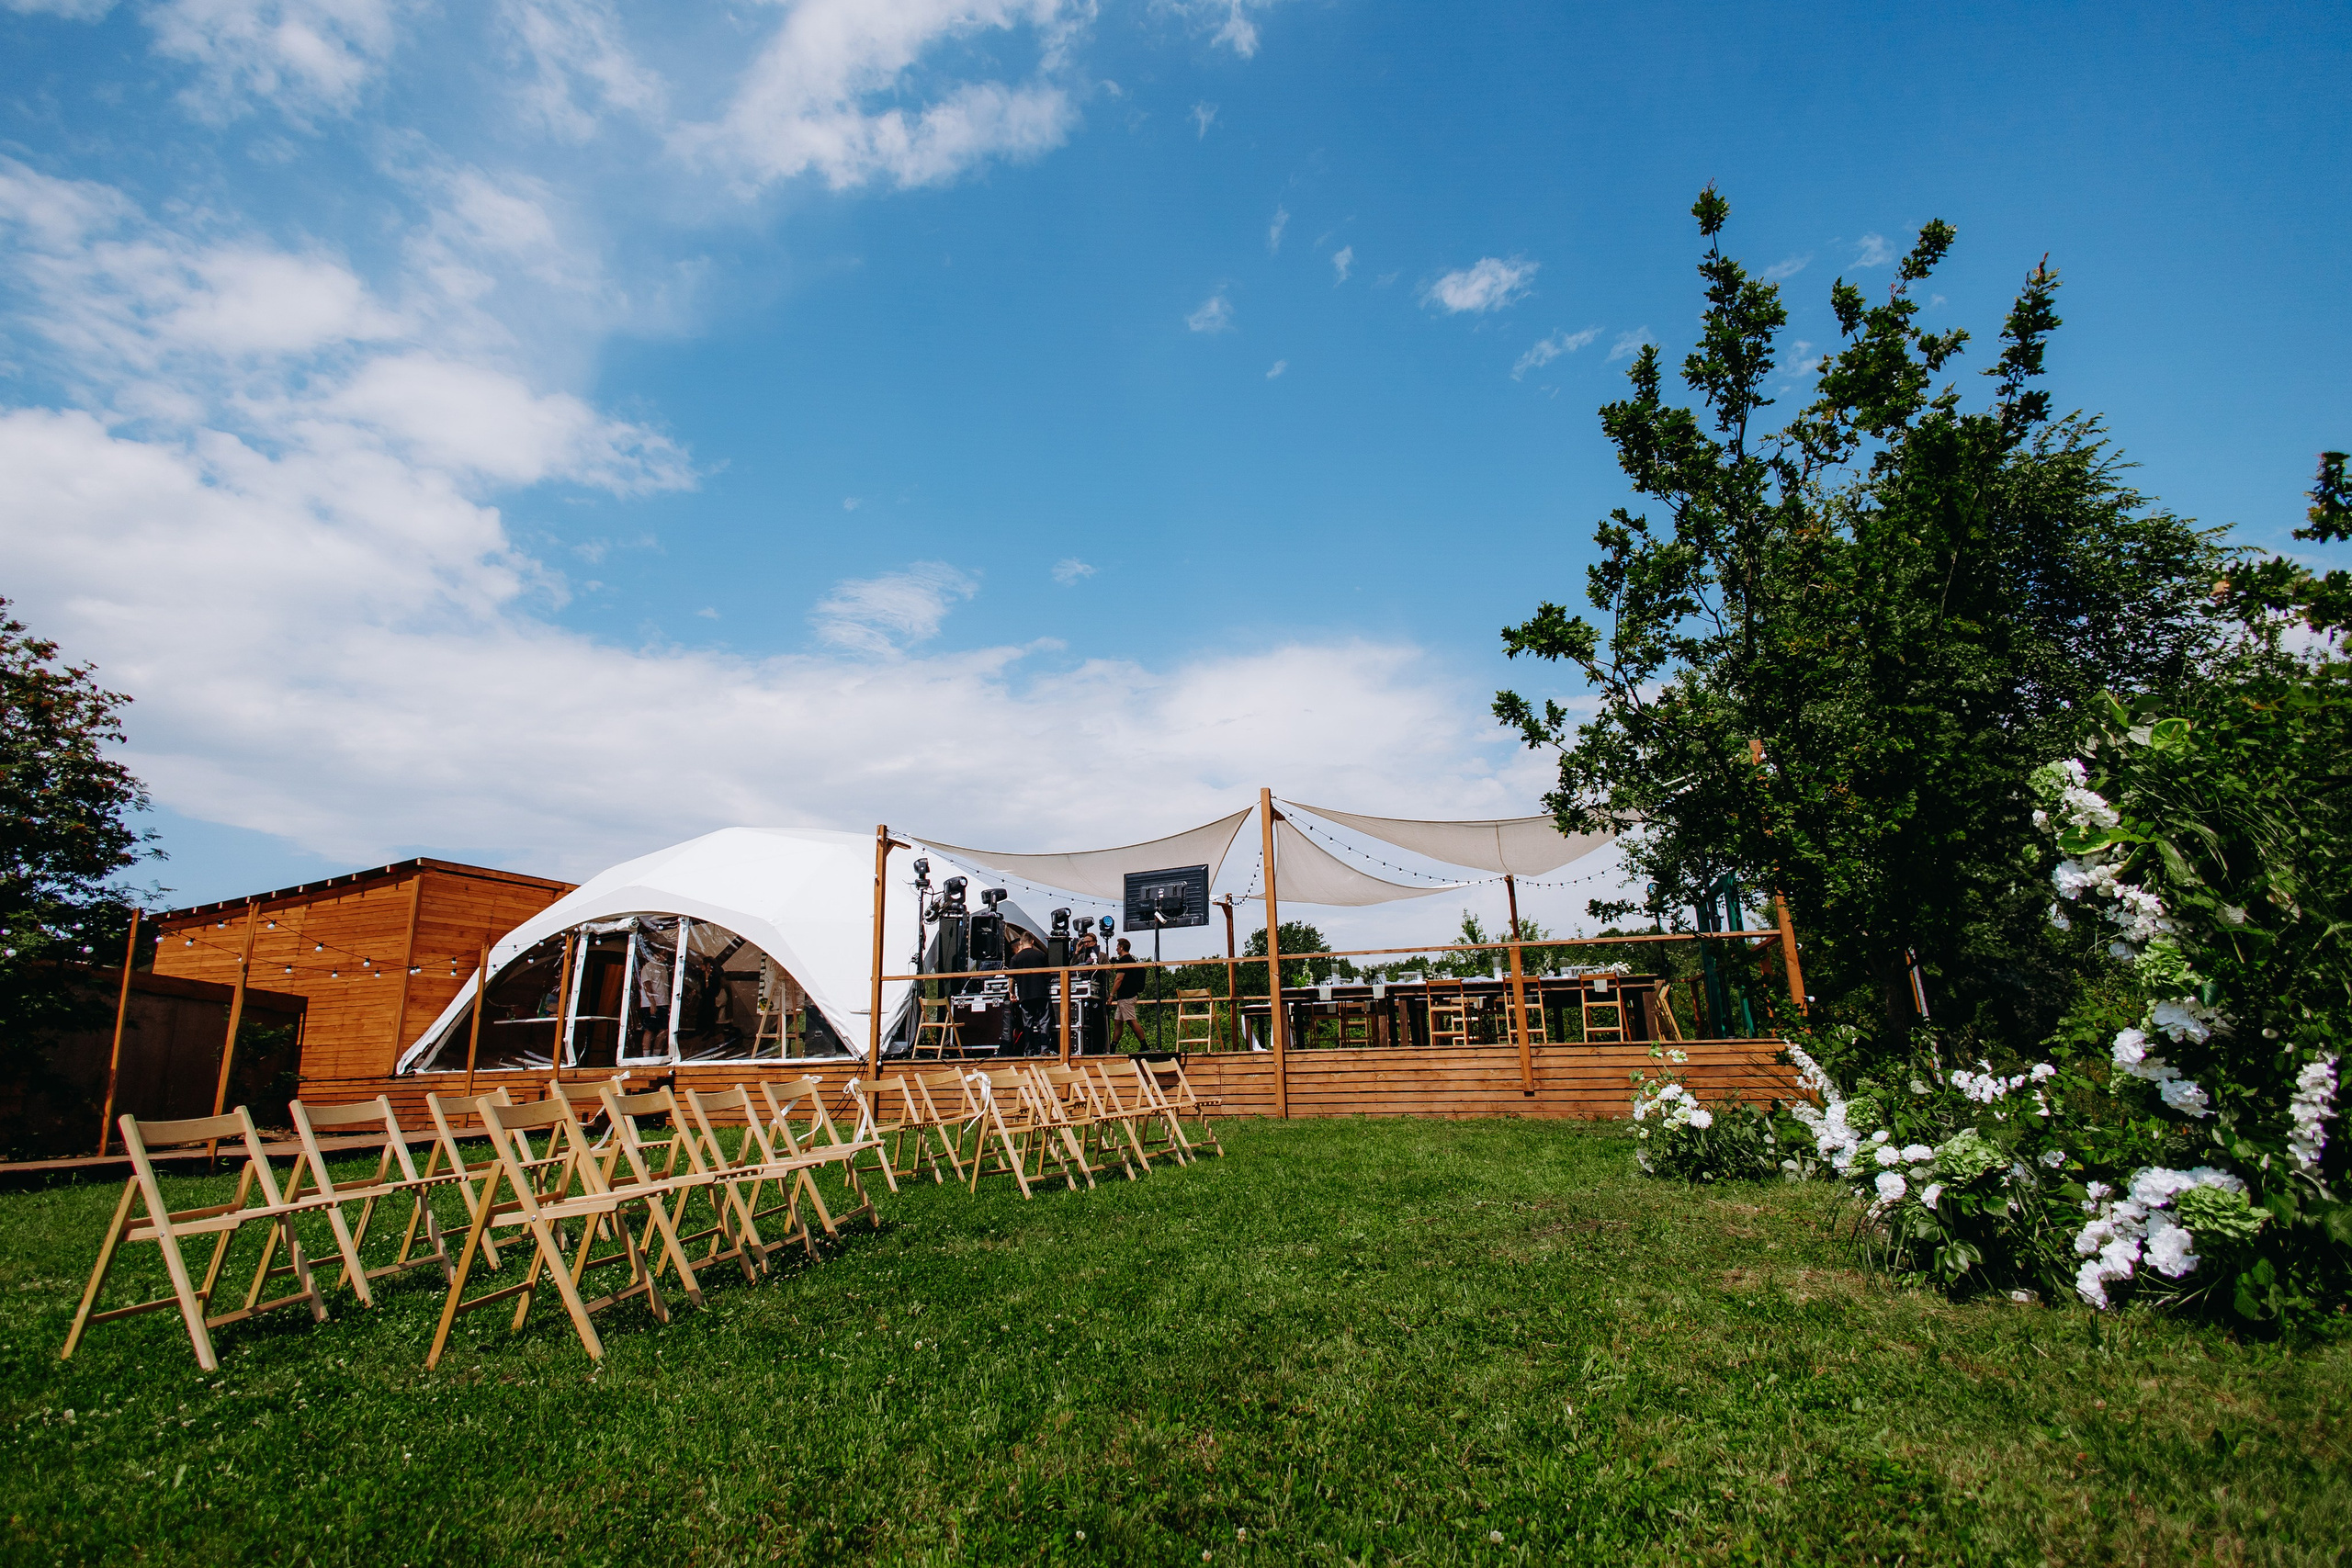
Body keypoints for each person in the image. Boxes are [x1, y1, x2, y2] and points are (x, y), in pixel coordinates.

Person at [1007, 930, 1054, 1055]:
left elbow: (1011, 978)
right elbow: (1048, 974)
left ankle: (1028, 1050)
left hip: (1025, 995)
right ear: (1032, 942)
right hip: (1041, 993)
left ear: (1021, 943)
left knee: (1027, 1023)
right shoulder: (1041, 955)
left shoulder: (1015, 958)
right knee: (1044, 1022)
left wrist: (1011, 993)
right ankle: (1045, 1049)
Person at [1106, 937, 1150, 1052]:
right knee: (1118, 1022)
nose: (1116, 949)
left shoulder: (1124, 961)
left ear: (1121, 947)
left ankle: (1144, 1045)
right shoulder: (1131, 960)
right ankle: (1113, 1047)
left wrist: (1111, 995)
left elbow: (1118, 979)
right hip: (1125, 997)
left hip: (1127, 996)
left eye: (1117, 947)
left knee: (1131, 1021)